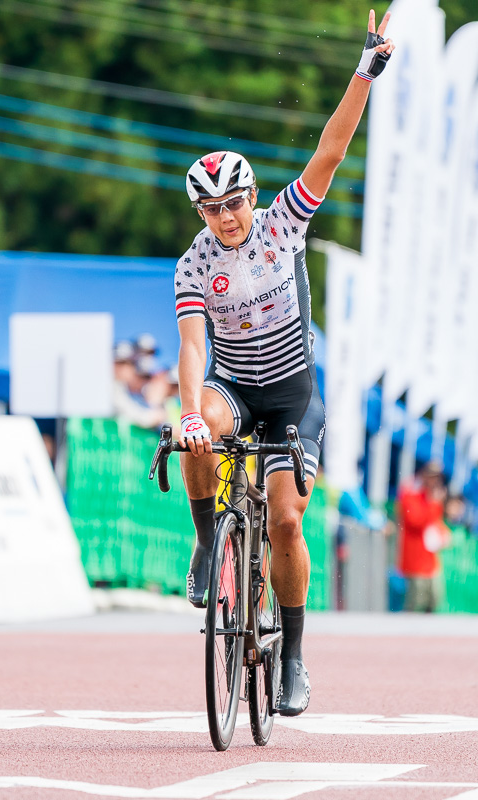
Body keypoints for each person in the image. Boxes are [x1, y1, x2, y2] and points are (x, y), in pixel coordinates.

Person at [172, 10, 394, 717]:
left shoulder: (282, 224)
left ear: (253, 196)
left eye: (234, 202)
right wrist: (187, 414)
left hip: (294, 397)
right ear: (200, 215)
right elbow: (192, 348)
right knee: (195, 424)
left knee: (285, 523)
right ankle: (209, 542)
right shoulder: (193, 265)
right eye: (212, 210)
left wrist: (363, 72)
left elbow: (329, 151)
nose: (227, 217)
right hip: (235, 387)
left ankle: (293, 655)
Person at [396, 462, 449, 613]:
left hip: (430, 561)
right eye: (432, 477)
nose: (435, 482)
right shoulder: (411, 494)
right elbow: (415, 521)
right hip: (415, 561)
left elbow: (435, 523)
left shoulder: (431, 498)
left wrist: (444, 534)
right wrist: (433, 503)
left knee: (435, 599)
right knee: (415, 603)